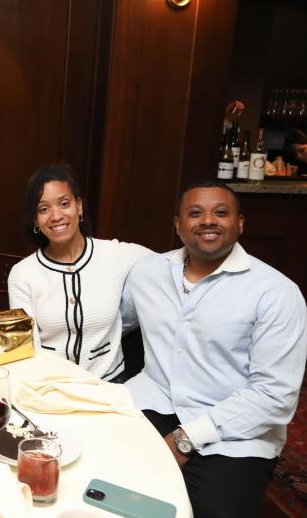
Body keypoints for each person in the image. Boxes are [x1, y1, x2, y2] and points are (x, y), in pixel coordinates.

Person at [120, 180, 306, 518]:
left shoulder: (276, 293)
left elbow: (274, 395)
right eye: (195, 213)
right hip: (153, 403)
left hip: (235, 429)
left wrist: (184, 438)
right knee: (106, 491)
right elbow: (116, 322)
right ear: (178, 225)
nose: (208, 220)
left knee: (209, 511)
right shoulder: (148, 273)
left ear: (240, 223)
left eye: (221, 212)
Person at [7, 164, 153, 382]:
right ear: (35, 220)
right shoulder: (23, 274)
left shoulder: (116, 255)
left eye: (64, 204)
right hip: (49, 386)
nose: (56, 216)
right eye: (43, 209)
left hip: (108, 385)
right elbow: (27, 348)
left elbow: (168, 264)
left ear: (79, 206)